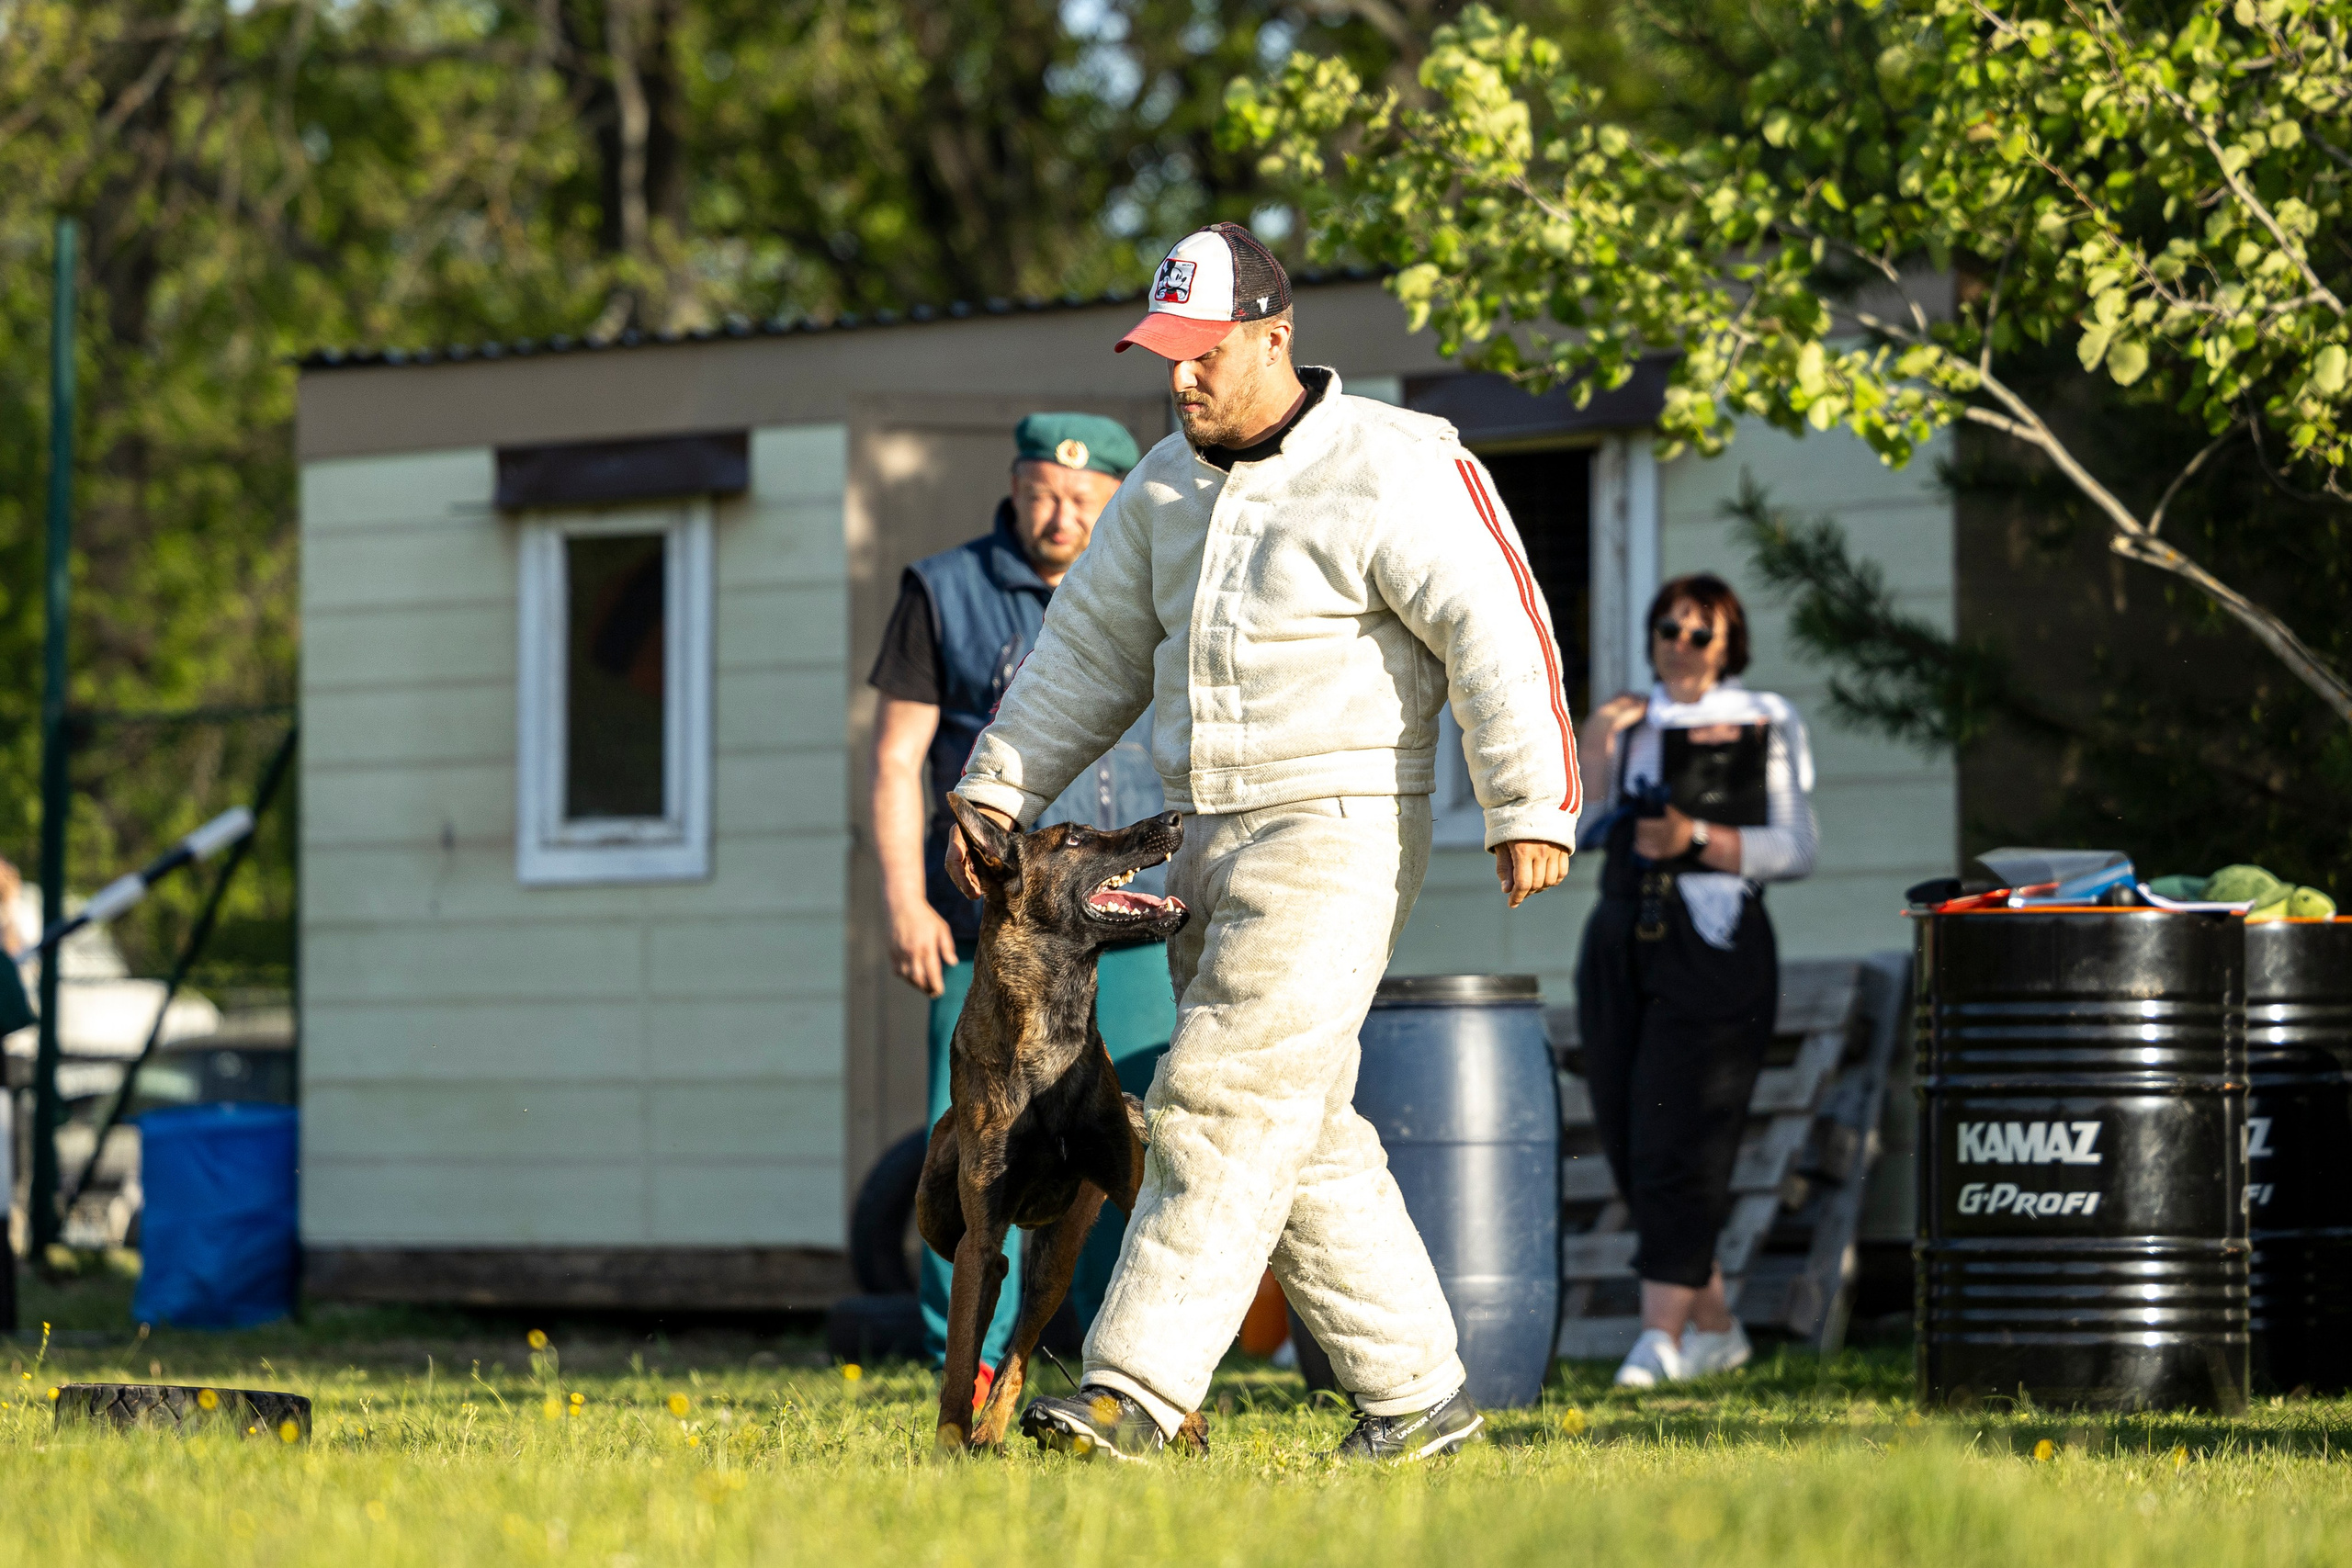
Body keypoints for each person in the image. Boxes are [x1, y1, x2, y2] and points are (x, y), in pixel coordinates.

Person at [947, 222, 1577, 1461]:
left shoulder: (1397, 460)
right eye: (1163, 354)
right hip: (1205, 836)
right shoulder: (1161, 491)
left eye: (1202, 353)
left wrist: (1532, 799)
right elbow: (1085, 655)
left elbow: (1498, 625)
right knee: (1299, 1120)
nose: (1179, 379)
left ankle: (1135, 1386)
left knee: (1219, 1094)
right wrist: (996, 791)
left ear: (1273, 338)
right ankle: (1416, 1396)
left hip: (1338, 827)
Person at [866, 412, 1176, 1383]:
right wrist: (905, 904)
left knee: (1122, 1154)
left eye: (1082, 500)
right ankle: (969, 1364)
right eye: (1042, 491)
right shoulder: (943, 590)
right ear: (1014, 485)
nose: (1059, 513)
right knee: (969, 1159)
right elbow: (895, 760)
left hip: (1124, 931)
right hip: (987, 936)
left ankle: (1109, 1366)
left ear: (1115, 500)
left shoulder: (1153, 589)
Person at [1572, 573, 1818, 1388]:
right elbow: (1578, 829)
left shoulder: (1762, 718)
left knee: (1679, 1133)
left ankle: (1657, 1339)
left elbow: (1796, 848)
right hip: (1622, 933)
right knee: (1627, 1129)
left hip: (1713, 941)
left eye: (1699, 633)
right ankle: (1713, 1324)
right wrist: (1600, 740)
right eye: (1667, 630)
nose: (1680, 645)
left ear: (1729, 644)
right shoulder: (1628, 718)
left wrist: (1697, 836)